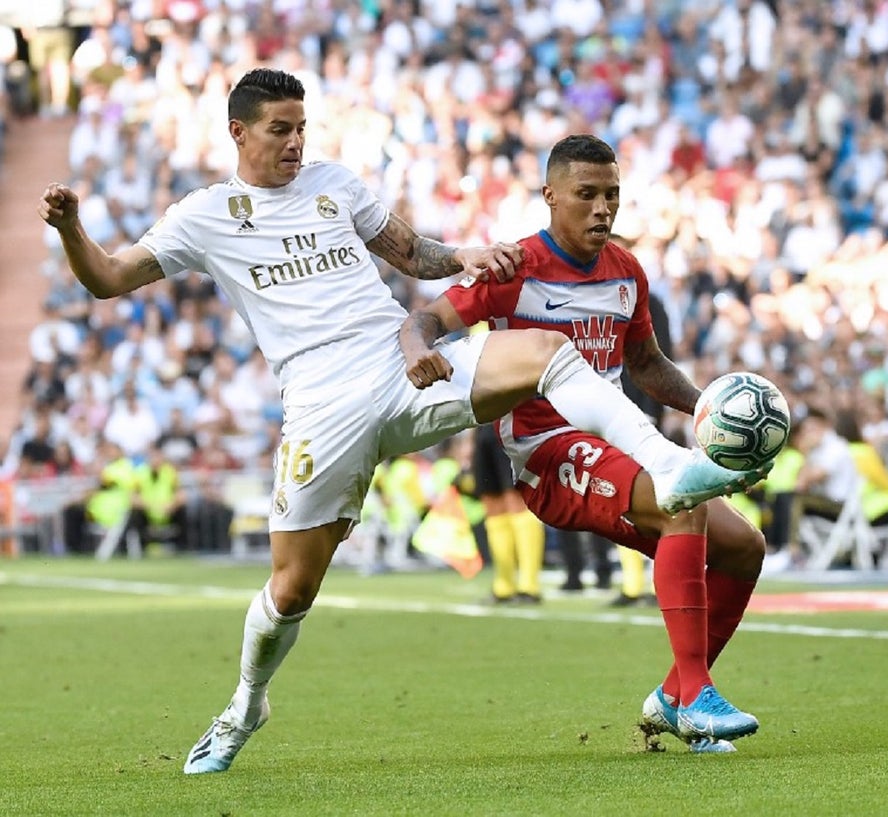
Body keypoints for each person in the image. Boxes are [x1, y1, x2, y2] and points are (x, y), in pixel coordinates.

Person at [38, 70, 764, 775]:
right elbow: (106, 277)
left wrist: (470, 256)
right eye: (279, 131)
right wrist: (73, 229)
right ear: (239, 132)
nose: (295, 143)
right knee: (291, 590)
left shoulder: (334, 185)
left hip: (399, 364)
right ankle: (246, 704)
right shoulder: (203, 216)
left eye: (302, 128)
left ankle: (670, 465)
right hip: (322, 405)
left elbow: (415, 254)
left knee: (548, 350)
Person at [399, 134, 769, 753]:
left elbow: (647, 364)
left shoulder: (626, 273)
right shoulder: (514, 267)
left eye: (612, 196)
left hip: (617, 450)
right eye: (587, 195)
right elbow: (426, 319)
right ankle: (699, 696)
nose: (603, 209)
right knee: (684, 498)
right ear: (550, 197)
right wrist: (419, 352)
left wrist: (710, 413)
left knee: (745, 548)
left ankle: (676, 694)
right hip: (546, 453)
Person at [470, 422, 545, 603]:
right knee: (493, 505)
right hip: (484, 426)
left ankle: (529, 587)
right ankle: (504, 586)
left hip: (513, 424)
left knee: (517, 500)